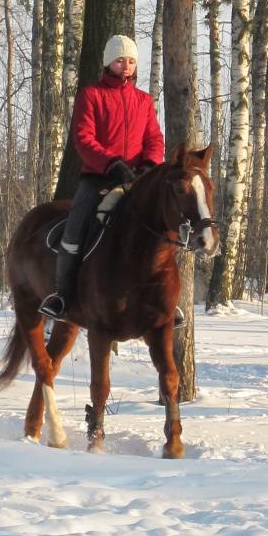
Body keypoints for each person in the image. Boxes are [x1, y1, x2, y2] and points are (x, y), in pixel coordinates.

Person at [39, 34, 165, 321]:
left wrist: (149, 164)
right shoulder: (91, 95)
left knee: (163, 228)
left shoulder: (144, 100)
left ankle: (163, 299)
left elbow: (154, 138)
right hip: (98, 179)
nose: (126, 66)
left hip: (137, 181)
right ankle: (62, 296)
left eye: (131, 61)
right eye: (120, 60)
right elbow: (84, 139)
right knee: (74, 231)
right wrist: (111, 164)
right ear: (109, 62)